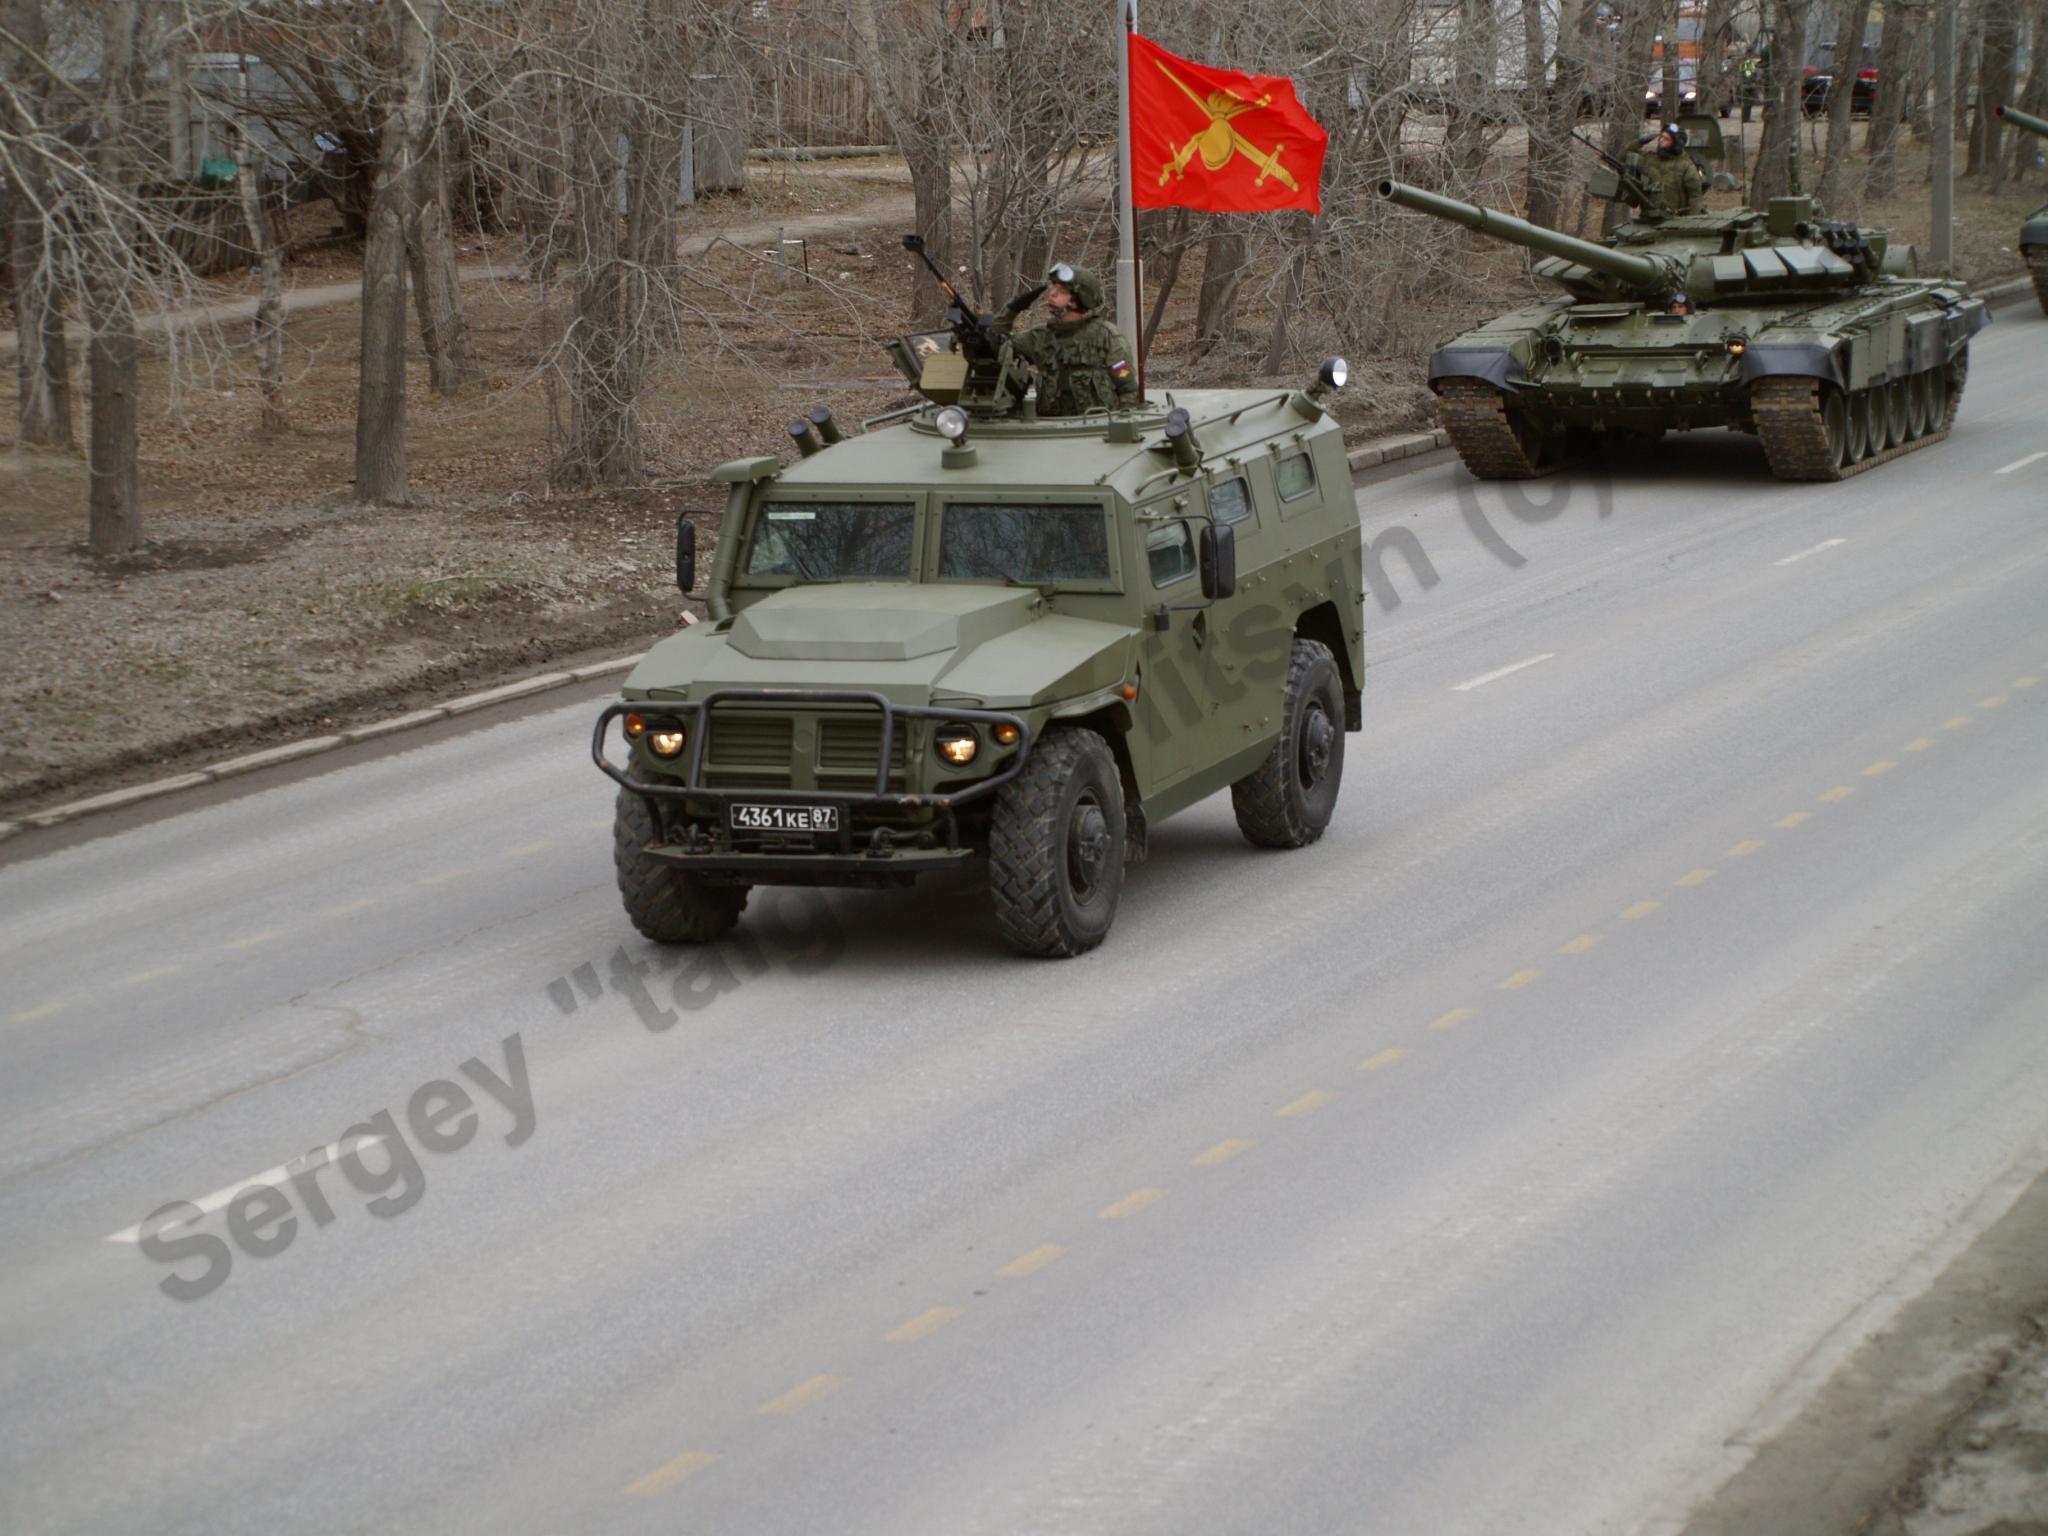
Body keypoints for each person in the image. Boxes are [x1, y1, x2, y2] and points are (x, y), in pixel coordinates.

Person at [994, 262, 1139, 416]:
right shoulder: (1039, 338)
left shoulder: (1107, 338)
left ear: (1079, 299)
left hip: (1095, 431)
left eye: (1062, 290)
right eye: (1053, 287)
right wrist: (1012, 310)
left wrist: (1119, 430)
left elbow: (1128, 391)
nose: (1052, 293)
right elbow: (996, 345)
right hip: (1050, 431)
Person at [1625, 122, 1706, 215]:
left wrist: (1691, 222)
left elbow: (1695, 197)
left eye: (1666, 139)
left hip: (1675, 221)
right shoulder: (1649, 158)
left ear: (1676, 144)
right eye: (1661, 137)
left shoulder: (1686, 166)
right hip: (1648, 218)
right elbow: (1625, 157)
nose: (1661, 141)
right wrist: (1639, 142)